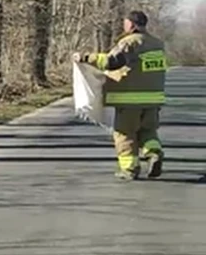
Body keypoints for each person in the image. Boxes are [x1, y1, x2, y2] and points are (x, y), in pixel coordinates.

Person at [72, 10, 169, 180]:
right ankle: (154, 153)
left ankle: (129, 169)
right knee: (148, 131)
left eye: (125, 23)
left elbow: (111, 62)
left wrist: (85, 57)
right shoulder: (157, 44)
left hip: (129, 99)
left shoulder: (129, 43)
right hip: (154, 98)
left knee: (125, 134)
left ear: (131, 24)